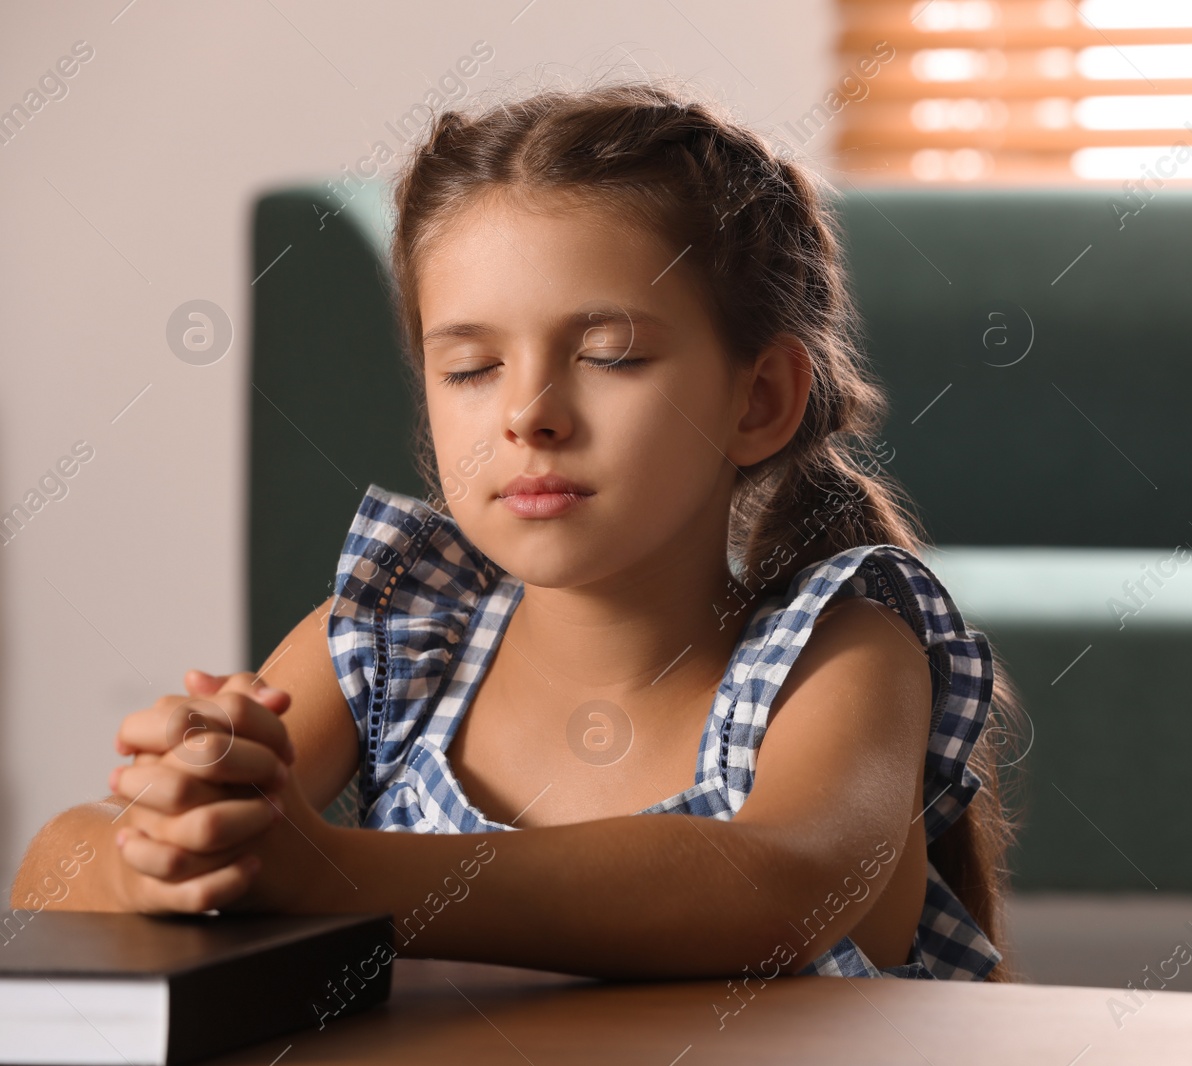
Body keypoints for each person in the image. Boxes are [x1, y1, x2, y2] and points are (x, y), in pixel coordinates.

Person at [12, 81, 1026, 982]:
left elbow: (772, 886)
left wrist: (328, 870)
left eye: (612, 354)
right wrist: (182, 837)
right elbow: (52, 860)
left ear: (759, 398)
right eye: (470, 367)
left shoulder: (843, 656)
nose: (528, 413)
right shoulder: (392, 637)